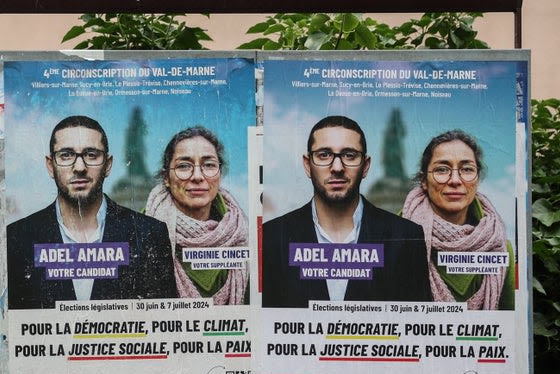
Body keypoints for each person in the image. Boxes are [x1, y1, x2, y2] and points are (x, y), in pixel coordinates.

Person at [7, 115, 177, 309]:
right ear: (50, 166)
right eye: (66, 155)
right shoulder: (16, 238)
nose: (79, 167)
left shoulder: (149, 234)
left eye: (91, 155)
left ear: (108, 164)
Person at [262, 115, 429, 307]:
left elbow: (416, 330)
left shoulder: (406, 237)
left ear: (365, 166)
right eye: (324, 155)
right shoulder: (271, 237)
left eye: (349, 155)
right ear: (308, 165)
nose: (337, 167)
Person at [401, 129, 514, 310]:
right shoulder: (395, 238)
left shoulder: (499, 247)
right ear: (424, 180)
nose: (455, 180)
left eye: (467, 169)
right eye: (442, 169)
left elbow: (510, 325)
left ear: (477, 179)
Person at [144, 127, 250, 304]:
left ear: (220, 174)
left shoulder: (241, 233)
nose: (198, 176)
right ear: (166, 178)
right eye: (184, 166)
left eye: (209, 165)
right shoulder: (141, 231)